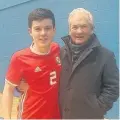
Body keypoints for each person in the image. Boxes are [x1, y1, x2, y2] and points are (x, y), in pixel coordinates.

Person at [59, 8, 119, 119]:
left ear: (92, 29)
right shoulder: (60, 53)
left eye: (84, 26)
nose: (79, 31)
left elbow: (113, 88)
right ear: (69, 30)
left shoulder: (106, 56)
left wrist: (97, 108)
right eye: (75, 27)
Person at [1, 8, 61, 119]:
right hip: (30, 116)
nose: (43, 33)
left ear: (54, 30)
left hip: (56, 116)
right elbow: (8, 89)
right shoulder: (19, 58)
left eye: (47, 28)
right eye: (37, 29)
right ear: (30, 31)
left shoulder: (56, 49)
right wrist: (7, 118)